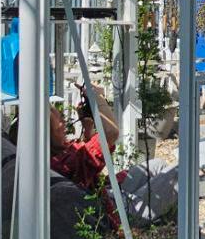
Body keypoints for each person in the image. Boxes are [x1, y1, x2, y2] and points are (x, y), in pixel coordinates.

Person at [48, 85, 178, 226]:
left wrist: (87, 129)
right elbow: (110, 133)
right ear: (49, 134)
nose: (64, 123)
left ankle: (165, 216)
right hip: (116, 213)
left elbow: (85, 168)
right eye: (59, 123)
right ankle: (173, 225)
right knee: (178, 172)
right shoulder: (63, 163)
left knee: (158, 164)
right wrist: (98, 98)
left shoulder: (55, 156)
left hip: (108, 194)